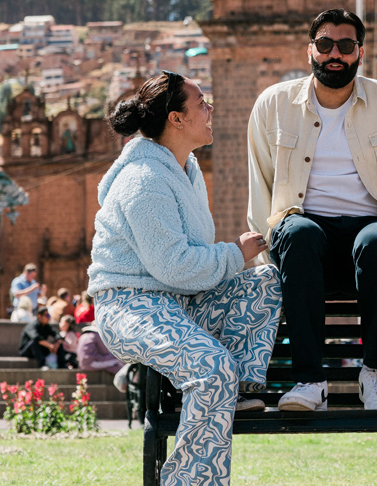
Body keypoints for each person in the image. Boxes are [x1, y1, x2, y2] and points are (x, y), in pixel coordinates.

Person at [89, 71, 283, 486]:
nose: (210, 110)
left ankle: (240, 389)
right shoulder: (145, 180)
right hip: (130, 304)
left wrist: (238, 260)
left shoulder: (186, 169)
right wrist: (234, 253)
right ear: (176, 119)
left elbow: (185, 269)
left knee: (264, 281)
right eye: (201, 103)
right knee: (212, 368)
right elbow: (173, 265)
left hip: (178, 302)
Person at [248, 9, 377, 411]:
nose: (335, 55)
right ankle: (310, 381)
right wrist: (264, 262)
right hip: (306, 241)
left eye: (346, 46)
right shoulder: (273, 103)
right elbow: (261, 187)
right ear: (310, 49)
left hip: (375, 236)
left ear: (360, 52)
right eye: (325, 44)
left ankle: (375, 374)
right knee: (296, 232)